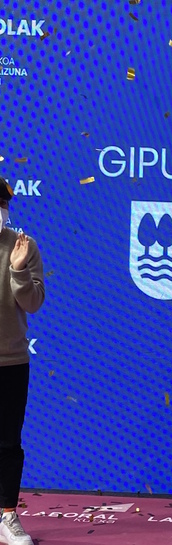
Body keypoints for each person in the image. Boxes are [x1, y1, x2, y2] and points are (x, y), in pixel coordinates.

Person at [0, 177, 45, 545]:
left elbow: (33, 302)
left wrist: (17, 270)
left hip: (10, 361)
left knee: (7, 443)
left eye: (1, 206)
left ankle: (7, 515)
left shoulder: (22, 245)